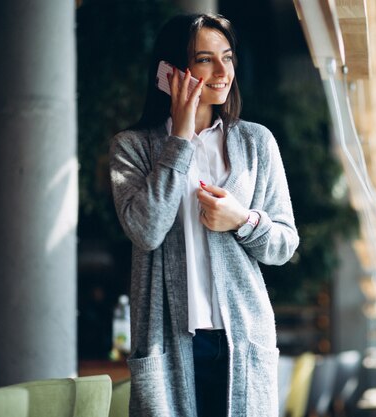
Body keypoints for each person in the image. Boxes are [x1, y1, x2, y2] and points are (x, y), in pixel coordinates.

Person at [109, 13, 299, 417]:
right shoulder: (133, 148)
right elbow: (145, 230)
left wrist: (242, 221)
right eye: (204, 59)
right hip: (168, 343)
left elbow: (285, 244)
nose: (221, 71)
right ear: (170, 71)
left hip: (243, 340)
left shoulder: (255, 142)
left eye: (227, 58)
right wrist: (178, 140)